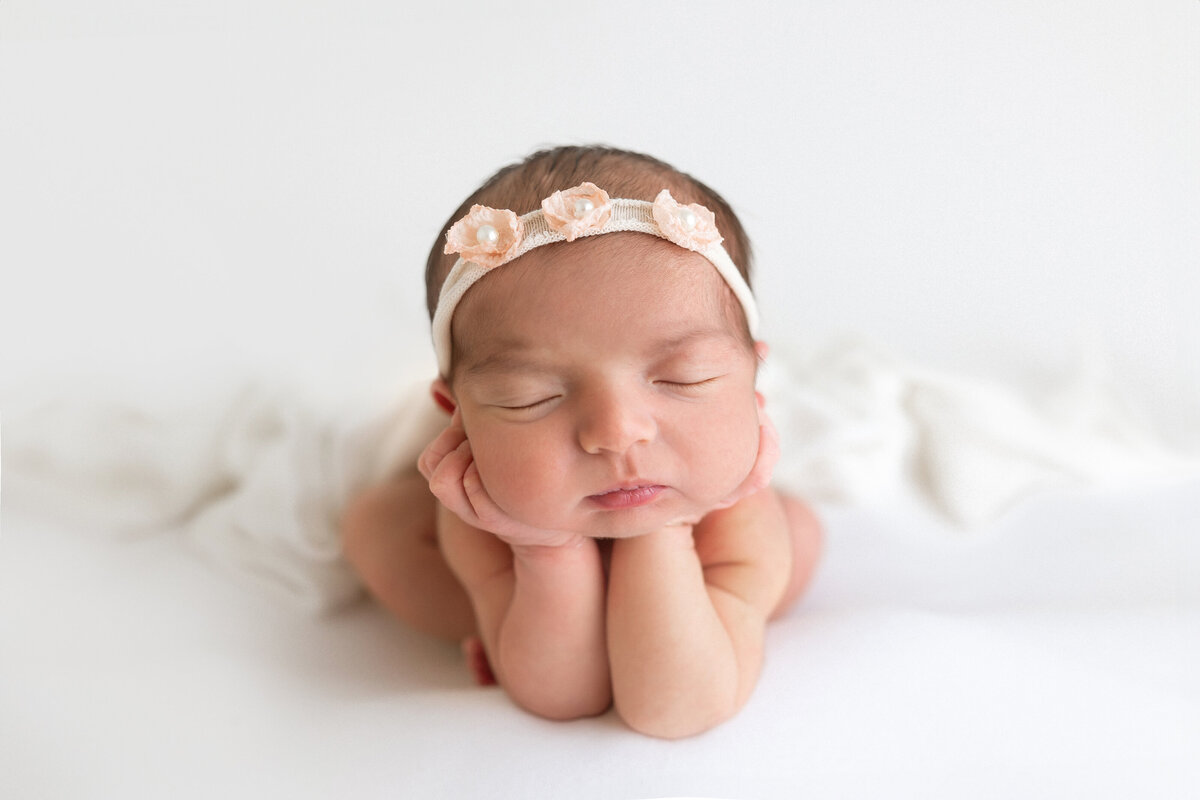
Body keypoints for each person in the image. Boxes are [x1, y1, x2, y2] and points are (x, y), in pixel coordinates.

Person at [341, 145, 822, 739]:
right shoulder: (481, 511)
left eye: (683, 378)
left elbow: (676, 708)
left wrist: (670, 529)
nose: (617, 432)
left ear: (752, 381)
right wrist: (542, 549)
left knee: (801, 535)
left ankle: (728, 615)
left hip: (711, 532)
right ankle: (491, 621)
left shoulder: (741, 513)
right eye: (529, 398)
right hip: (515, 548)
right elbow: (566, 697)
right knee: (377, 526)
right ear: (457, 415)